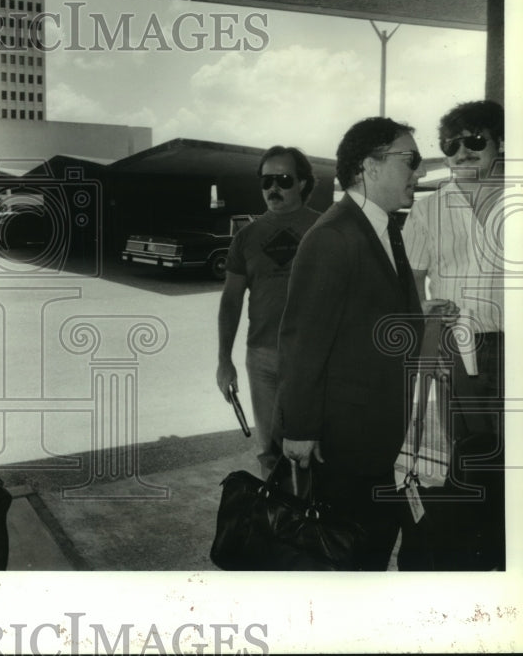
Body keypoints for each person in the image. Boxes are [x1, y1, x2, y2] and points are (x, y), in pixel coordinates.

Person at [273, 117, 428, 570]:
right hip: (349, 443)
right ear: (370, 166)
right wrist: (298, 428)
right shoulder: (333, 237)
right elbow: (302, 340)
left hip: (382, 436)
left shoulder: (384, 229)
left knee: (373, 550)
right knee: (351, 559)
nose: (417, 172)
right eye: (409, 160)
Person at [402, 99, 505, 568]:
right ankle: (470, 556)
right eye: (451, 144)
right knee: (466, 459)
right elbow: (406, 285)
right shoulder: (428, 210)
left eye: (475, 141)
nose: (462, 151)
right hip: (456, 352)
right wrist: (426, 308)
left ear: (498, 144)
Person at [216, 146, 320, 477]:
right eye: (267, 181)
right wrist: (224, 361)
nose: (273, 188)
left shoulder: (324, 231)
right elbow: (231, 301)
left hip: (312, 360)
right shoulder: (246, 237)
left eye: (284, 180)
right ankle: (277, 525)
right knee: (270, 454)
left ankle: (315, 527)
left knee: (314, 452)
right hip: (261, 359)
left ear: (302, 183)